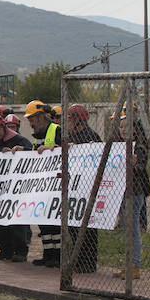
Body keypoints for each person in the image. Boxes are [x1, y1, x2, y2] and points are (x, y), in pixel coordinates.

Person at [0, 114, 33, 261]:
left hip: (16, 188)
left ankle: (20, 251)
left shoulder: (18, 140)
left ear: (3, 127)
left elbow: (32, 154)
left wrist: (21, 151)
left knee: (16, 221)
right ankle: (5, 250)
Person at [25, 100, 62, 267]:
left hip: (55, 186)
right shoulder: (38, 136)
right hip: (42, 186)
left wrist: (52, 149)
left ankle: (57, 256)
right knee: (44, 224)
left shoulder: (56, 130)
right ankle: (48, 254)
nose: (31, 124)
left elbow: (68, 150)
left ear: (40, 117)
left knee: (54, 225)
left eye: (32, 119)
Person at [64, 103, 101, 273]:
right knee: (73, 227)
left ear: (78, 120)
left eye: (71, 119)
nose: (68, 122)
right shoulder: (69, 136)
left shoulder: (91, 136)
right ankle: (78, 260)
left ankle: (89, 263)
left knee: (88, 229)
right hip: (74, 187)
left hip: (87, 188)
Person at [113, 110, 148, 279]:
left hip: (134, 193)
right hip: (121, 192)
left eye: (127, 126)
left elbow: (142, 168)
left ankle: (135, 266)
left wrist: (134, 164)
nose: (123, 129)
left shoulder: (139, 146)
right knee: (126, 230)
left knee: (133, 230)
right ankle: (129, 265)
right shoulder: (118, 146)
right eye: (120, 126)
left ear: (134, 128)